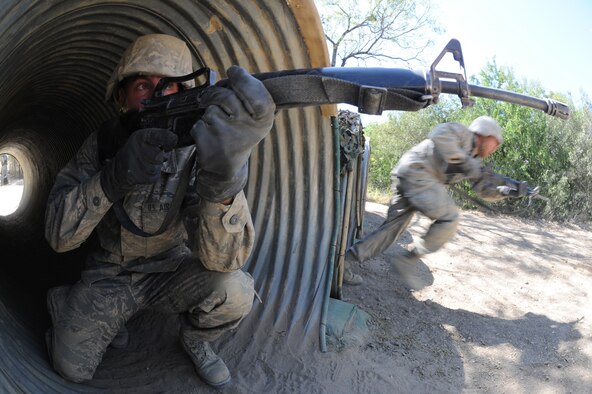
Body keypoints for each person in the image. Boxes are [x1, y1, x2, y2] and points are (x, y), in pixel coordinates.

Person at [44, 34, 275, 388]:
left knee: (236, 290)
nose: (157, 96)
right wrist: (111, 178)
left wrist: (223, 183)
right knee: (70, 368)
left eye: (170, 86)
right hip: (112, 275)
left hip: (172, 270)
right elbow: (58, 236)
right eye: (142, 85)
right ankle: (70, 302)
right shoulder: (103, 142)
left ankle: (195, 340)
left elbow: (224, 261)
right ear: (121, 97)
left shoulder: (201, 149)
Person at [343, 116, 528, 287]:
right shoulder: (462, 134)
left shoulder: (474, 158)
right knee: (450, 217)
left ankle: (344, 262)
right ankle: (408, 259)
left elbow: (482, 190)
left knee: (392, 229)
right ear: (485, 135)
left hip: (411, 176)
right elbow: (438, 135)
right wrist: (467, 163)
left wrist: (506, 191)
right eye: (495, 143)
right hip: (419, 173)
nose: (495, 149)